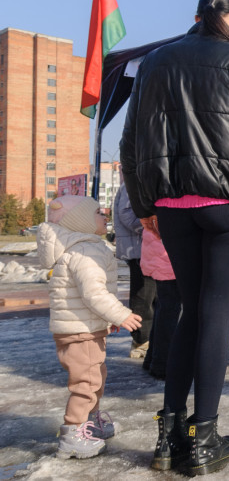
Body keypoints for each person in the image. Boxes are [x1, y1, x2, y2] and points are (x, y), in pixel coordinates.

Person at [120, 0, 229, 475]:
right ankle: (205, 438)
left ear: (196, 18)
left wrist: (146, 203)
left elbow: (131, 142)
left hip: (171, 207)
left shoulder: (153, 63)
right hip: (228, 206)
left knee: (192, 311)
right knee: (214, 316)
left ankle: (169, 436)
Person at [37, 195, 142, 459]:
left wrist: (105, 320)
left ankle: (89, 422)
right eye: (98, 212)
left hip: (84, 327)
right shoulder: (85, 250)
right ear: (80, 222)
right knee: (86, 382)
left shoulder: (85, 246)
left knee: (96, 377)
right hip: (79, 331)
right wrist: (119, 314)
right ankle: (72, 433)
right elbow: (93, 293)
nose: (105, 215)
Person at [114, 184, 154, 359]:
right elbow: (127, 216)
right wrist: (155, 226)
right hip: (139, 250)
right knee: (143, 297)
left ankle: (153, 338)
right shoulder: (134, 182)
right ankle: (141, 340)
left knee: (157, 296)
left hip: (152, 248)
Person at [140, 228, 180, 380]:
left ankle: (154, 359)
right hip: (168, 256)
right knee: (170, 311)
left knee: (164, 308)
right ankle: (162, 364)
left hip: (161, 253)